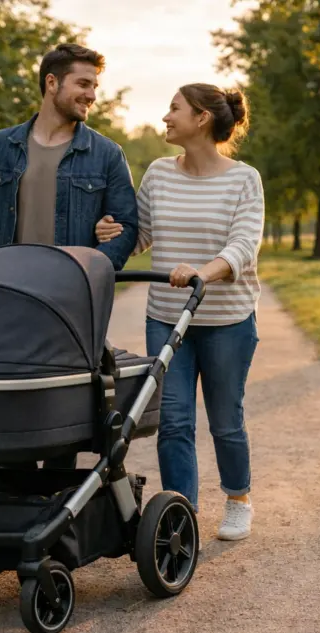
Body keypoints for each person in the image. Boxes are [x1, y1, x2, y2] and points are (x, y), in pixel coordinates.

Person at [96, 84, 264, 541]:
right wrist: (112, 233)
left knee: (226, 419)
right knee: (173, 421)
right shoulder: (158, 173)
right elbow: (143, 234)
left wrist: (201, 273)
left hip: (227, 319)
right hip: (167, 316)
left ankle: (238, 499)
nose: (166, 117)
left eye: (175, 109)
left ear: (203, 118)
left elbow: (244, 247)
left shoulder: (243, 178)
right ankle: (181, 514)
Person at [0, 43, 139, 469]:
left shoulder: (106, 154)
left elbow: (127, 228)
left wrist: (90, 272)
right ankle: (11, 505)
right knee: (9, 409)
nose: (92, 95)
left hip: (70, 304)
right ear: (52, 83)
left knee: (62, 416)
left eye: (95, 86)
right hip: (6, 298)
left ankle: (58, 518)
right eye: (83, 84)